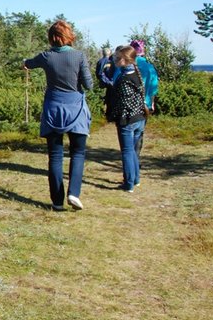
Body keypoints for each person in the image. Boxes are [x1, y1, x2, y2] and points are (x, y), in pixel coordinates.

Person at [23, 20, 93, 211]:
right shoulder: (79, 56)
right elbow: (89, 85)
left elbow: (28, 63)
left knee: (55, 155)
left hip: (53, 108)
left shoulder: (46, 56)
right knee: (77, 153)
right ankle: (74, 193)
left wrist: (24, 63)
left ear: (52, 38)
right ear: (69, 36)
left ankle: (56, 201)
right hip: (76, 109)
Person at [108, 45, 148, 192]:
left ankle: (129, 183)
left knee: (127, 151)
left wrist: (115, 116)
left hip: (128, 119)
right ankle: (135, 179)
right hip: (139, 118)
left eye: (117, 58)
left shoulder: (124, 79)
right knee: (132, 150)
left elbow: (123, 102)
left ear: (124, 60)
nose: (115, 60)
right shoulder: (136, 74)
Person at [109, 39, 159, 155]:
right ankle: (136, 158)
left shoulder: (122, 67)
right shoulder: (149, 67)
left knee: (127, 141)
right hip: (144, 105)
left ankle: (130, 161)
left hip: (125, 109)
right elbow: (153, 88)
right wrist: (151, 103)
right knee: (139, 134)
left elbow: (115, 82)